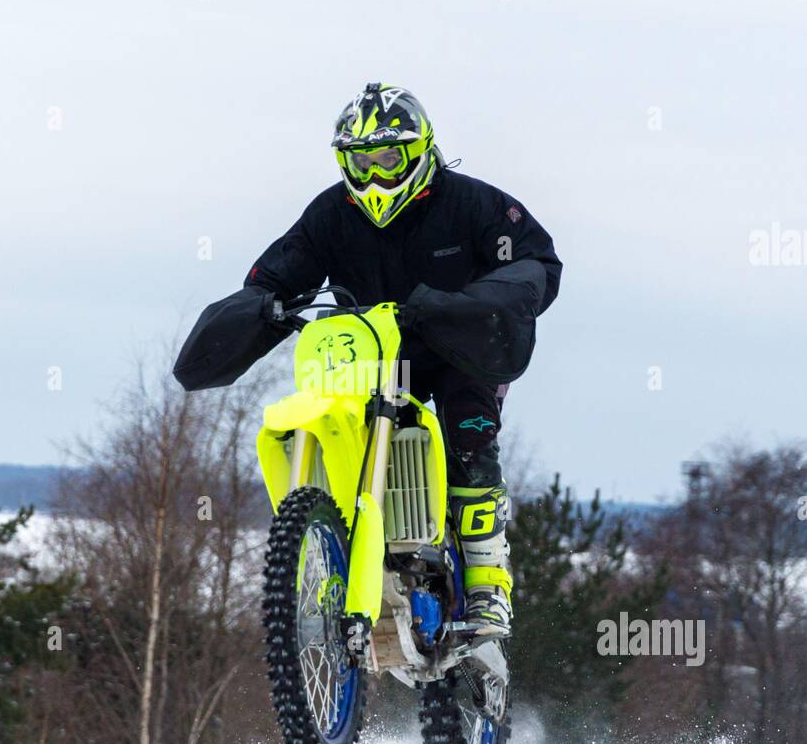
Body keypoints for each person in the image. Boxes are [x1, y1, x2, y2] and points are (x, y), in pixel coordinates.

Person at [178, 82, 561, 636]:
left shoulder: (473, 203)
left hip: (460, 346)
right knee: (335, 410)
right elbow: (278, 270)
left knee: (470, 435)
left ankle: (485, 583)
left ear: (420, 150)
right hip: (370, 353)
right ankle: (334, 535)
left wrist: (483, 299)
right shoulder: (331, 214)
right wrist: (266, 304)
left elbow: (537, 260)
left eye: (388, 158)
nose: (376, 175)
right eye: (362, 162)